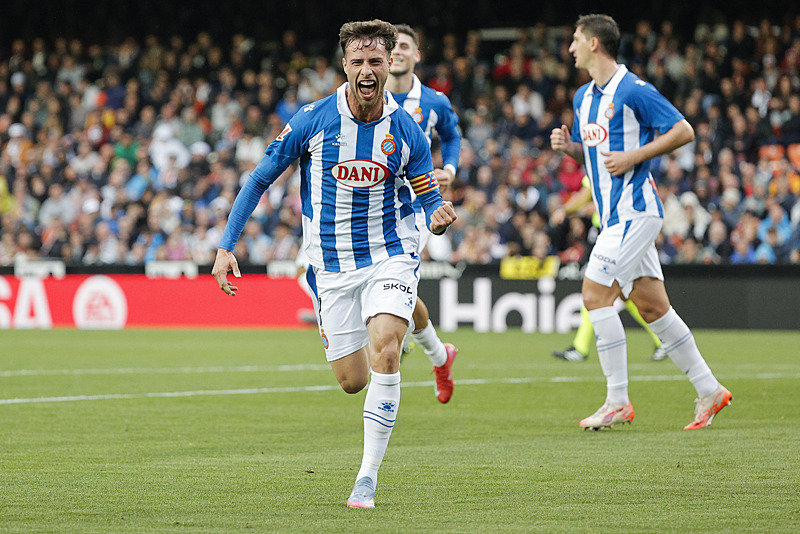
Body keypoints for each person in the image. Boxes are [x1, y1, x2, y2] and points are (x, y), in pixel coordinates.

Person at [211, 20, 457, 509]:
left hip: (391, 252)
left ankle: (366, 478)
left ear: (389, 64)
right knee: (353, 381)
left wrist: (437, 216)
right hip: (332, 267)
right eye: (358, 62)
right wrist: (226, 245)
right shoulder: (313, 120)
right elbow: (259, 178)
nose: (367, 70)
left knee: (386, 347)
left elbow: (426, 190)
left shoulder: (408, 129)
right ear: (345, 65)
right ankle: (437, 354)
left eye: (376, 61)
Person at [550, 14, 731, 431]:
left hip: (634, 211)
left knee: (595, 295)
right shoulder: (582, 98)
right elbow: (596, 159)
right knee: (652, 307)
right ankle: (709, 389)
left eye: (576, 40)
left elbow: (683, 131)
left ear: (595, 43)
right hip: (616, 216)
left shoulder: (633, 89)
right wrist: (569, 149)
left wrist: (635, 157)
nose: (571, 47)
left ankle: (617, 401)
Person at [385, 23, 461, 401]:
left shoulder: (434, 102)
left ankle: (398, 344)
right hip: (371, 207)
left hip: (416, 208)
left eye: (403, 46)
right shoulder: (368, 98)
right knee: (401, 293)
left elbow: (452, 134)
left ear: (417, 55)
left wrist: (450, 169)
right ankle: (439, 353)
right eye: (391, 46)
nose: (396, 51)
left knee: (397, 286)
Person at [549, 179, 668, 362]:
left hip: (617, 233)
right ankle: (662, 340)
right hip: (618, 231)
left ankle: (580, 348)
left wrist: (565, 210)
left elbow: (585, 194)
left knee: (596, 291)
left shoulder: (602, 158)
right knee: (624, 295)